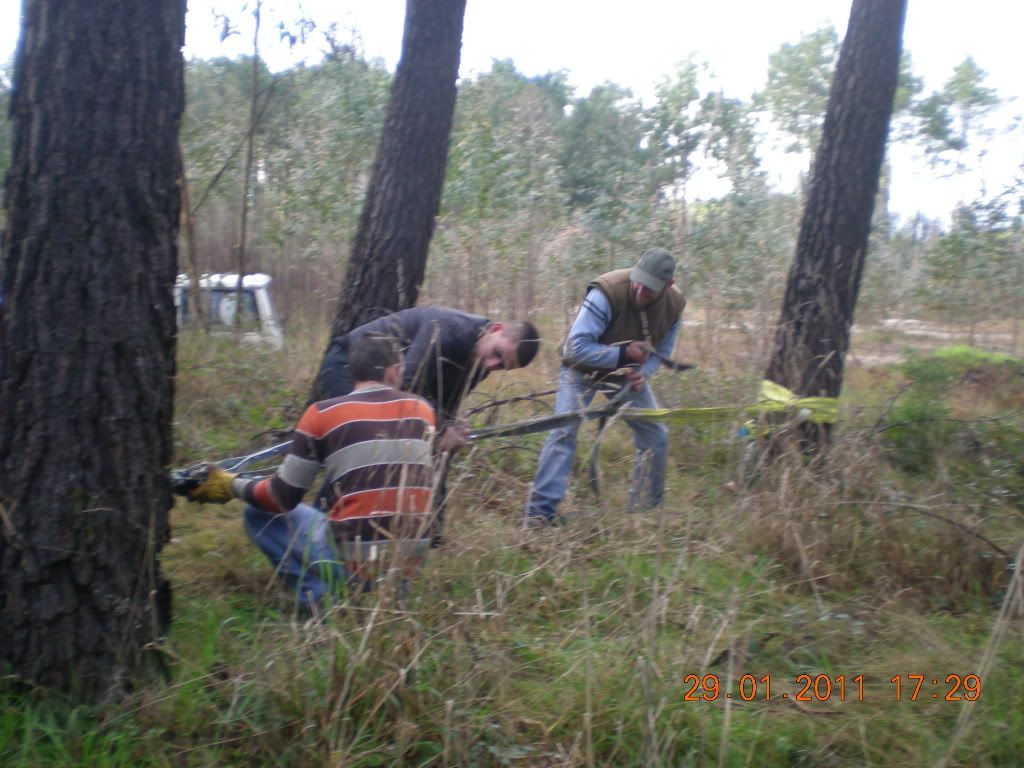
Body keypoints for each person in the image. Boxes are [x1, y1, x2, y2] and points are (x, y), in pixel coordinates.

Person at [186, 334, 438, 610]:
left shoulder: (321, 414)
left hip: (353, 570)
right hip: (405, 574)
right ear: (393, 372)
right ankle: (380, 598)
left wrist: (231, 484)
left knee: (257, 514)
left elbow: (280, 498)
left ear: (352, 372)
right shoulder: (424, 410)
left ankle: (317, 596)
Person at [318, 307, 542, 541]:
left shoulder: (482, 363)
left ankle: (428, 533)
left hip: (388, 385)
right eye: (496, 353)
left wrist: (447, 433)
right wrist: (442, 428)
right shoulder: (447, 329)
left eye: (502, 366)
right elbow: (408, 386)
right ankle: (319, 522)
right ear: (496, 329)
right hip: (348, 364)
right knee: (361, 443)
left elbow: (444, 407)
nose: (492, 364)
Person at [525, 248, 685, 526]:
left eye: (649, 289)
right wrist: (624, 355)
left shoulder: (674, 304)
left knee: (656, 434)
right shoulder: (607, 292)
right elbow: (576, 348)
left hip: (625, 374)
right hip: (580, 370)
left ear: (668, 286)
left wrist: (643, 372)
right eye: (638, 281)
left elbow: (664, 347)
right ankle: (539, 515)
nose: (639, 290)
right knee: (563, 430)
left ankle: (646, 513)